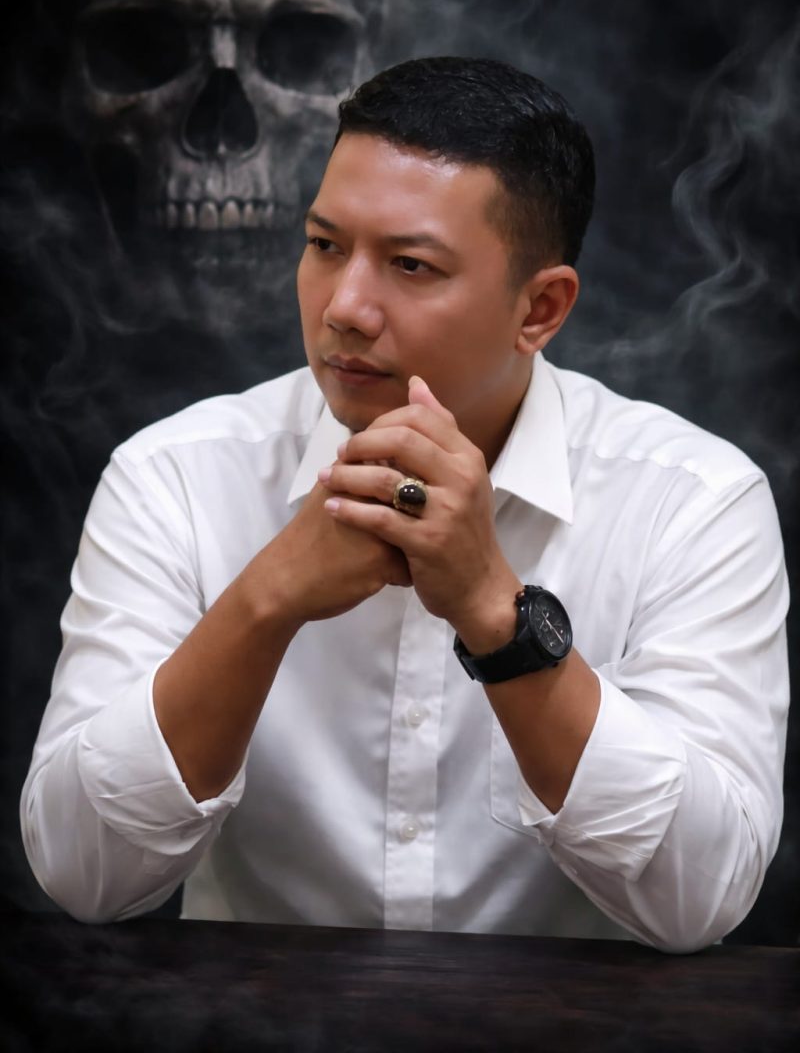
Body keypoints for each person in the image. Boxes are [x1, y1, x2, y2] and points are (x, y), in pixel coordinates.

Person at [21, 57, 788, 951]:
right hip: (255, 1021)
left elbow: (699, 901)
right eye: (324, 246)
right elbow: (86, 875)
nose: (344, 308)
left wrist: (497, 615)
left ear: (540, 309)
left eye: (411, 265)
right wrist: (265, 600)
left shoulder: (693, 501)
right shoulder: (176, 477)